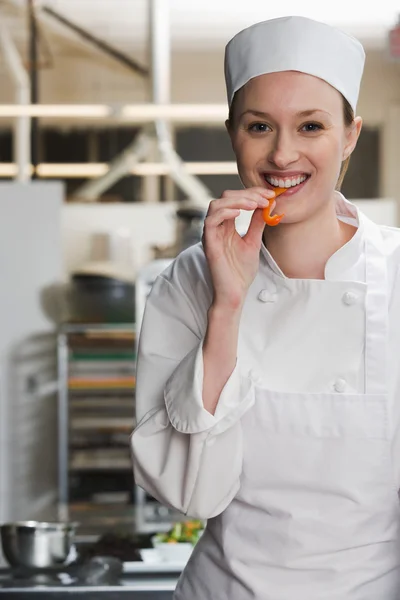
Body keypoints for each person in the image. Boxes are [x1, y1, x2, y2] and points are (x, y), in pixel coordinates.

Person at [131, 15, 400, 600]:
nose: (283, 154)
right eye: (260, 126)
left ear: (350, 135)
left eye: (311, 126)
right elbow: (187, 493)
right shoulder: (188, 281)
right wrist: (227, 306)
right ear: (233, 132)